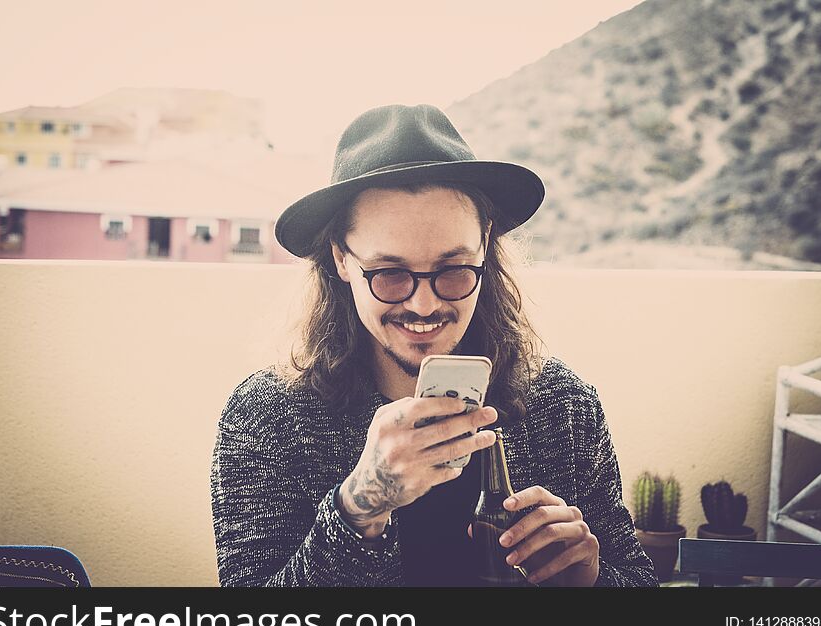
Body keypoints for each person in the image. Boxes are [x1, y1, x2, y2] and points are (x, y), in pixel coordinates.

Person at [210, 104, 658, 587]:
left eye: (452, 269)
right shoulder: (268, 417)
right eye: (390, 274)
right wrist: (360, 505)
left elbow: (636, 579)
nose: (424, 305)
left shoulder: (562, 404)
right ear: (342, 259)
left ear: (486, 247)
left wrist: (589, 581)